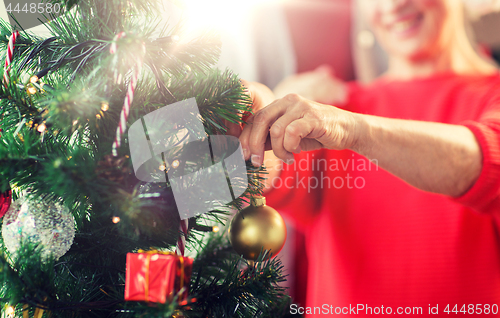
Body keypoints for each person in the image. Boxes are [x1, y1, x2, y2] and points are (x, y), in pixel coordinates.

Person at [229, 0, 500, 316]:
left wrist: (353, 129)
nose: (394, 5)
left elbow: (487, 162)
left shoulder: (337, 120)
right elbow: (279, 177)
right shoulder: (335, 107)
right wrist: (255, 117)